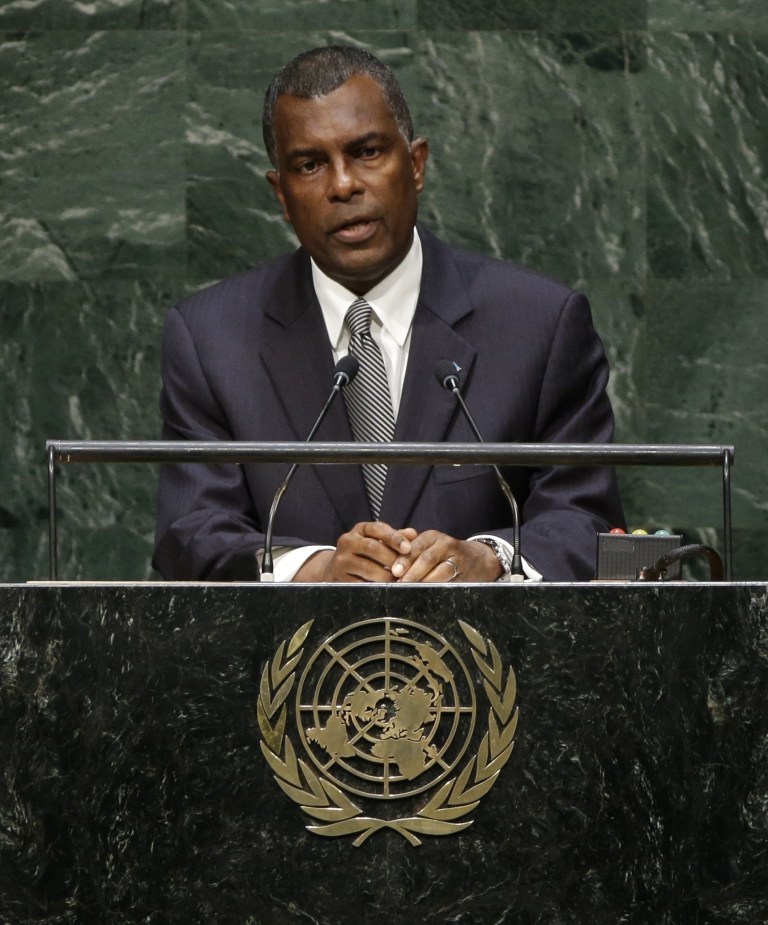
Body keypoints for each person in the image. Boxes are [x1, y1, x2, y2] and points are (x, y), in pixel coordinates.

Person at [153, 45, 624, 583]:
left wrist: (492, 557)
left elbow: (587, 518)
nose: (343, 185)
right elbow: (191, 530)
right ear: (281, 194)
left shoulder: (539, 323)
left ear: (416, 164)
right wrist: (315, 568)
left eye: (368, 152)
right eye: (310, 165)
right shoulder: (211, 339)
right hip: (293, 662)